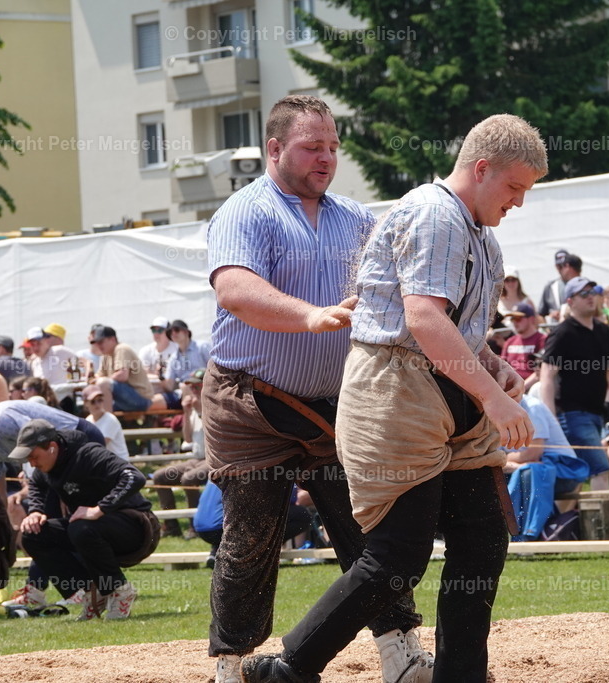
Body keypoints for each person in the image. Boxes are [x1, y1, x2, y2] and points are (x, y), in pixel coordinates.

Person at [240, 113, 545, 683]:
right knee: (397, 557)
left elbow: (453, 330)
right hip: (394, 389)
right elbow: (423, 318)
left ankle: (460, 676)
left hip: (443, 388)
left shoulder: (477, 231)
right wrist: (496, 401)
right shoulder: (435, 215)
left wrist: (492, 366)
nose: (518, 203)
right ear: (481, 169)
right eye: (514, 188)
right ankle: (285, 670)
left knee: (481, 540)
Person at [202, 95, 428, 683]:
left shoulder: (355, 216)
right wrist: (310, 316)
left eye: (332, 146)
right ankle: (234, 666)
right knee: (250, 541)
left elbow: (408, 279)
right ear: (275, 149)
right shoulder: (244, 212)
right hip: (249, 402)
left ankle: (400, 652)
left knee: (369, 529)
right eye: (312, 147)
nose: (326, 158)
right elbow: (233, 288)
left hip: (340, 404)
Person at [16, 419, 158, 620]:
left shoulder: (88, 454)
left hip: (138, 527)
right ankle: (92, 590)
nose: (32, 463)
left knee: (80, 528)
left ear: (52, 448)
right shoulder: (47, 466)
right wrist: (35, 511)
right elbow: (37, 484)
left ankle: (120, 589)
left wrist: (100, 508)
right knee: (33, 535)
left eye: (34, 456)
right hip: (91, 529)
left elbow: (134, 477)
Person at [542, 277, 609, 491]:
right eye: (584, 294)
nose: (591, 297)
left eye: (594, 292)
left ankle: (568, 522)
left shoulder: (603, 331)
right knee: (600, 470)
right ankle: (604, 524)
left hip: (598, 415)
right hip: (573, 415)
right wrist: (550, 416)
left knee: (578, 477)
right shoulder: (563, 332)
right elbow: (547, 375)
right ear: (570, 301)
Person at [0, 398, 106, 501]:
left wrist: (64, 489)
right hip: (54, 462)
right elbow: (1, 493)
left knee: (90, 503)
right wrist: (4, 522)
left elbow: (44, 441)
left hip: (80, 439)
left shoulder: (0, 420)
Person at [505, 393, 590, 539]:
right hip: (521, 470)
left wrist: (506, 461)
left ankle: (527, 534)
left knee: (529, 473)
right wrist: (512, 464)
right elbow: (494, 460)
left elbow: (533, 453)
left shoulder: (532, 407)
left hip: (564, 473)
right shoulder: (493, 410)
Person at [152, 369, 211, 537]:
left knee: (188, 478)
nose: (193, 390)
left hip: (213, 459)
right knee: (159, 476)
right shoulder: (193, 408)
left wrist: (199, 411)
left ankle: (195, 526)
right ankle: (171, 526)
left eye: (197, 386)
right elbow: (187, 438)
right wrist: (186, 413)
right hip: (197, 458)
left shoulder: (214, 405)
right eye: (191, 387)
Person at [92, 325, 159, 413]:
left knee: (103, 384)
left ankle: (107, 423)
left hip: (141, 398)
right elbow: (98, 376)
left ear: (112, 339)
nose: (98, 345)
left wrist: (101, 381)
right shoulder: (106, 355)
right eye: (97, 343)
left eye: (101, 342)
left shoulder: (121, 349)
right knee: (91, 394)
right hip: (127, 398)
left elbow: (122, 375)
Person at [499, 302, 546, 391]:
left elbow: (539, 373)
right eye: (512, 319)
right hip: (510, 387)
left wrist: (520, 389)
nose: (514, 322)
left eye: (518, 318)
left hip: (531, 388)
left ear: (531, 319)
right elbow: (502, 368)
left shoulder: (542, 340)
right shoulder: (510, 341)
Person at [82, 384, 129, 460]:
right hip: (105, 462)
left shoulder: (110, 419)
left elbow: (99, 445)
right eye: (93, 401)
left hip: (118, 463)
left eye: (100, 400)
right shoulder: (88, 420)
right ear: (85, 403)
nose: (97, 404)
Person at [539, 251, 582, 323]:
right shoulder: (550, 287)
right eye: (559, 266)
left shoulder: (584, 286)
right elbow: (540, 314)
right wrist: (550, 316)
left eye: (563, 266)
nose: (561, 269)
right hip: (555, 329)